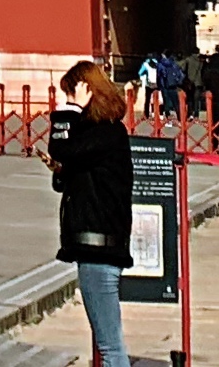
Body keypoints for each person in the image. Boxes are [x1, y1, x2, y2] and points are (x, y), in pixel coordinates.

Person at [45, 60, 135, 367]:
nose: (66, 101)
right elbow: (68, 167)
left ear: (86, 92)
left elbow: (61, 149)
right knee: (108, 341)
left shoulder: (106, 133)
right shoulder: (99, 135)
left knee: (110, 345)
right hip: (97, 245)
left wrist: (70, 111)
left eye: (70, 94)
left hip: (99, 248)